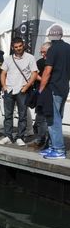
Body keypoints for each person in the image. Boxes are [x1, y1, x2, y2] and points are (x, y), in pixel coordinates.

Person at [0, 37, 38, 146]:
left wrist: (26, 86)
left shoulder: (30, 58)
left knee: (22, 115)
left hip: (22, 89)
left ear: (23, 45)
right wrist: (4, 86)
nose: (18, 48)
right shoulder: (8, 59)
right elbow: (3, 73)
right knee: (8, 115)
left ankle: (20, 137)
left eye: (20, 46)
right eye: (16, 47)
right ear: (12, 47)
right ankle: (8, 136)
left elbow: (34, 73)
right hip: (9, 90)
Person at [38, 24, 70, 159]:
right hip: (64, 88)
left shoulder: (52, 49)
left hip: (54, 88)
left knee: (53, 119)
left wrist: (41, 89)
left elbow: (47, 70)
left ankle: (58, 150)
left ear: (50, 36)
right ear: (61, 35)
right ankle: (52, 146)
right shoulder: (68, 48)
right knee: (58, 117)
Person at [28, 42, 51, 149]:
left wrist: (43, 80)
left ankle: (44, 140)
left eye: (44, 52)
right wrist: (42, 80)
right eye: (41, 52)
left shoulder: (53, 62)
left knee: (44, 118)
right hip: (40, 92)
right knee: (40, 117)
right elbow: (34, 73)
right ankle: (41, 139)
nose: (42, 54)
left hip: (49, 92)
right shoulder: (40, 62)